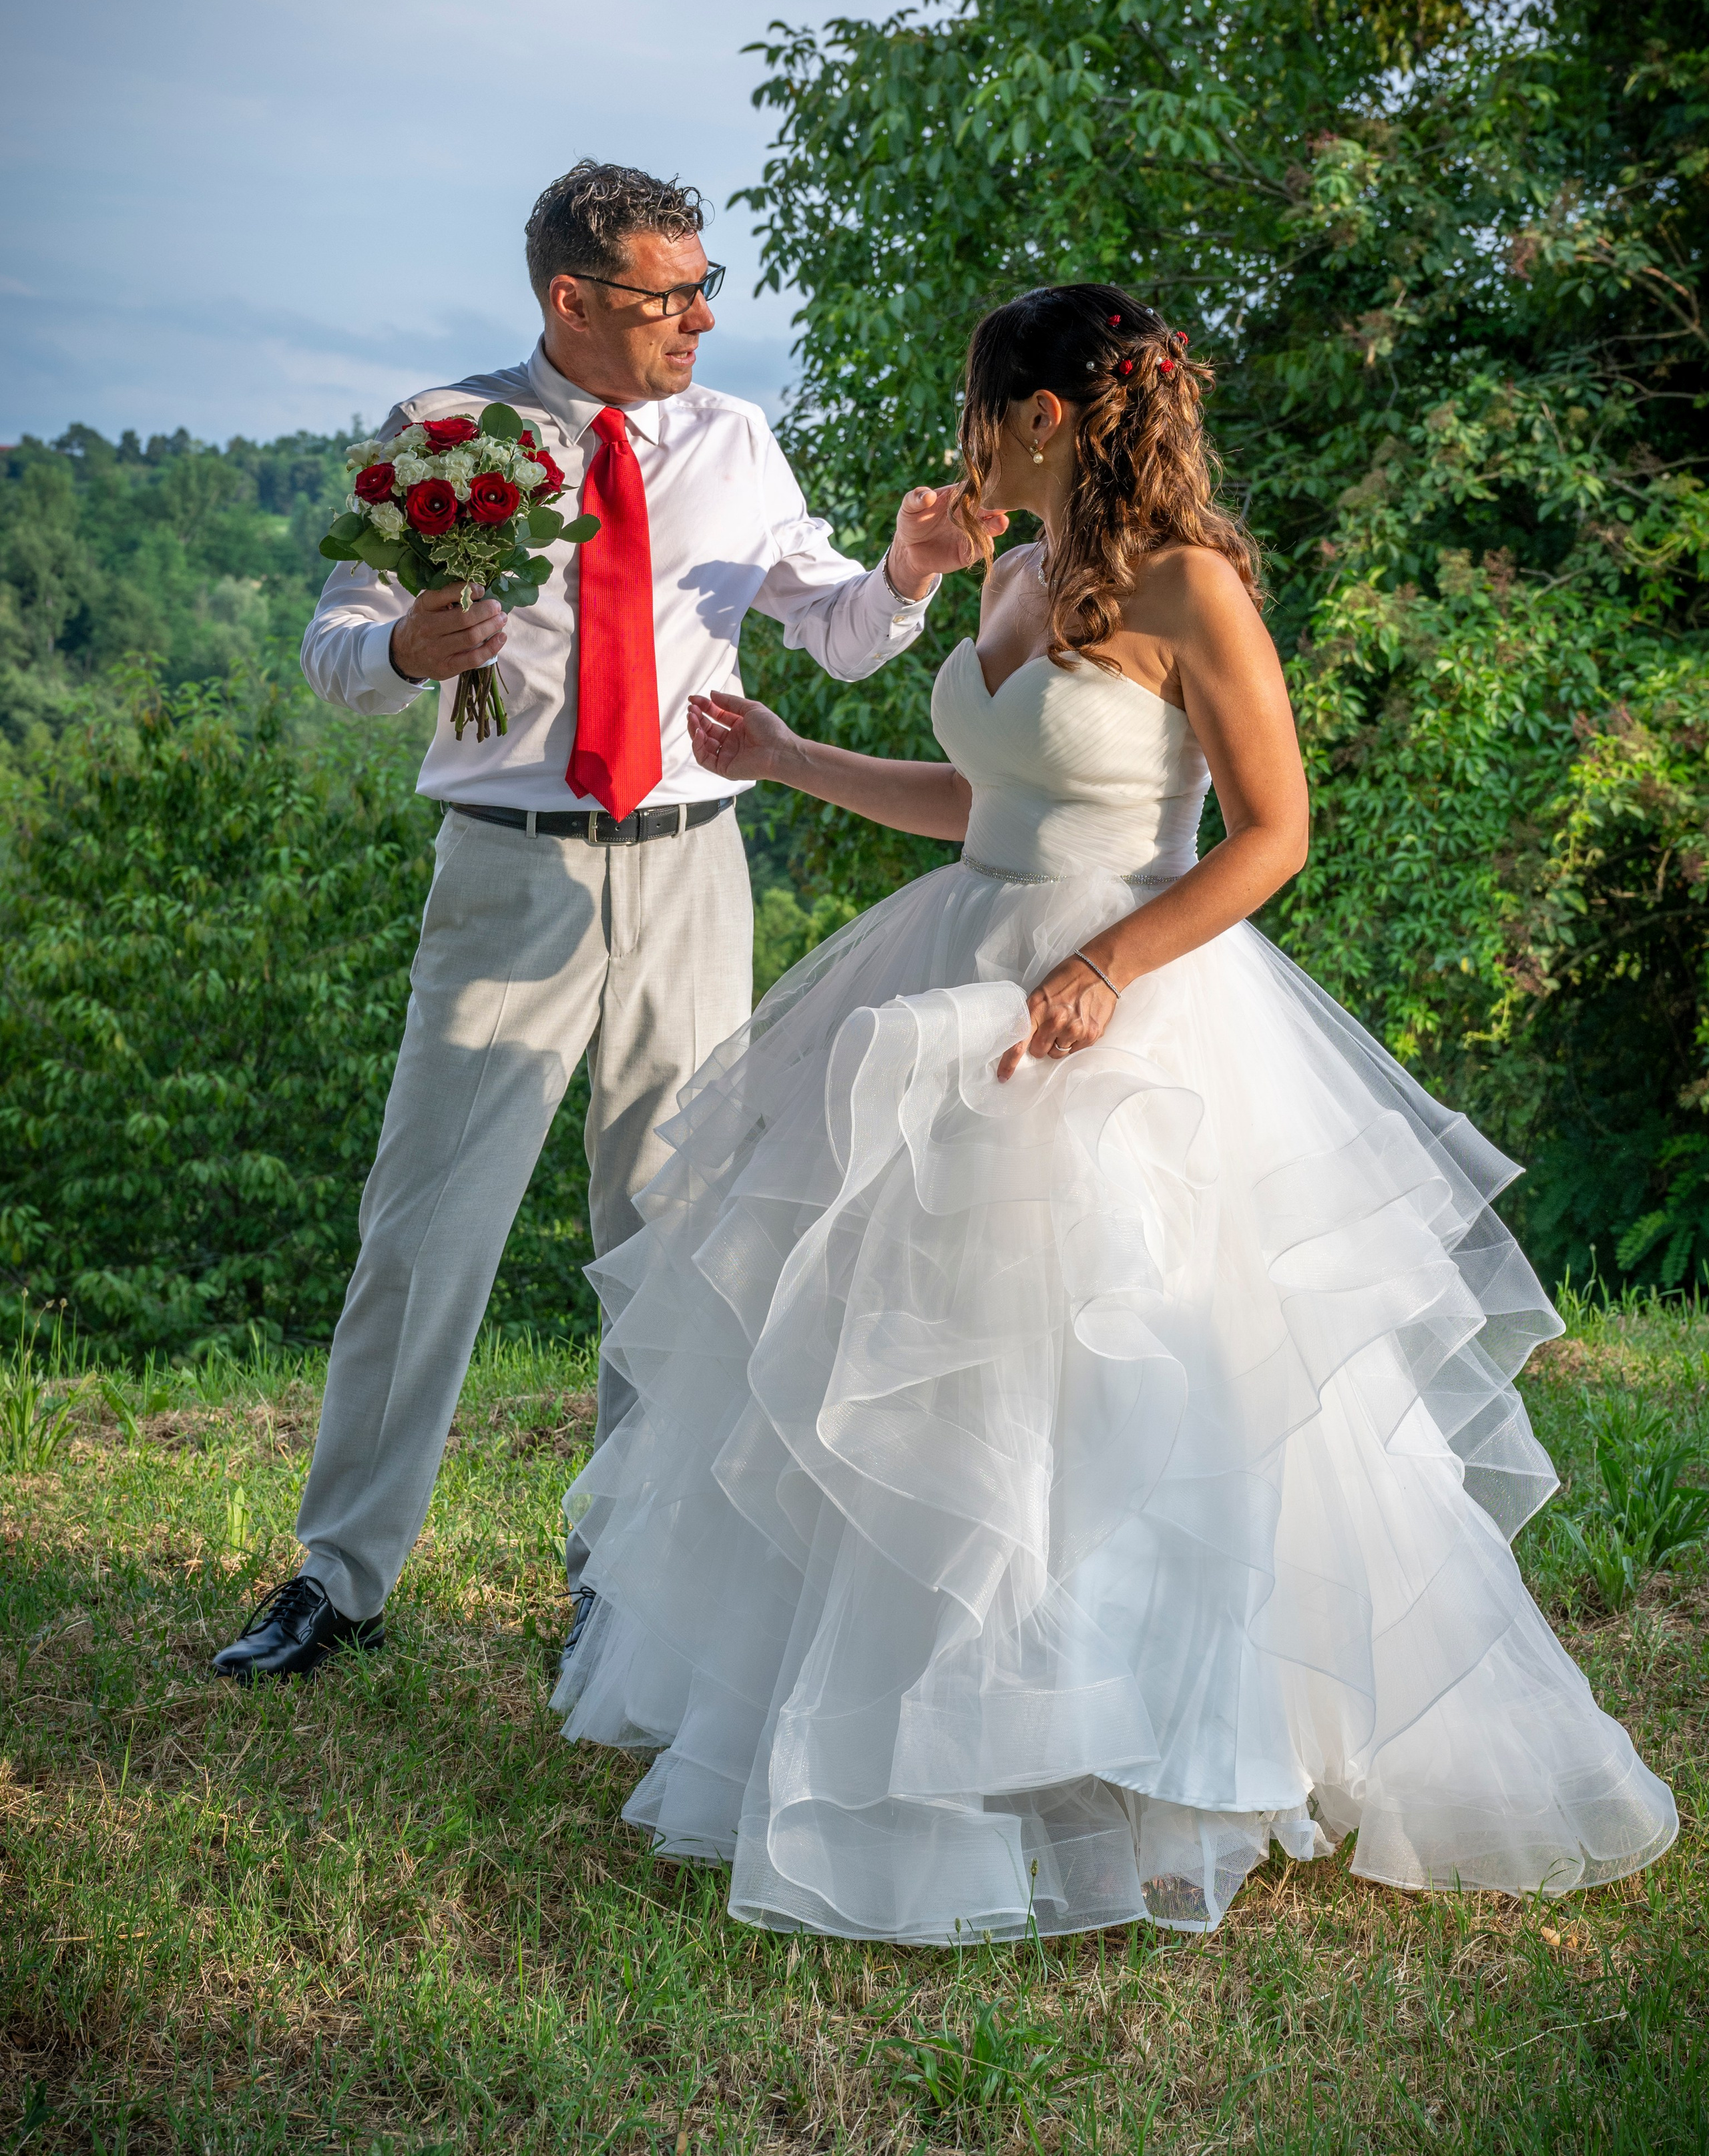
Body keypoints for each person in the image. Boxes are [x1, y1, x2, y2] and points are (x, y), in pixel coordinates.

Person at [549, 284, 1677, 1941]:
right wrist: (788, 758)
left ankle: (1157, 1769)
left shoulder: (1188, 584)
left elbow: (1272, 832)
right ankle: (951, 1740)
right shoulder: (1010, 572)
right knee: (942, 1383)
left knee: (1135, 1386)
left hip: (1130, 1007)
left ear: (1043, 414)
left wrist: (1104, 970)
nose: (961, 436)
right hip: (960, 975)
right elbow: (986, 802)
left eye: (975, 405)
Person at [212, 160, 988, 1685]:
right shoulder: (450, 433)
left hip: (695, 867)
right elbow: (334, 648)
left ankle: (627, 1589)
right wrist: (403, 647)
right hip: (509, 873)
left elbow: (836, 634)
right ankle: (341, 1577)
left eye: (705, 287)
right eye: (668, 295)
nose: (700, 318)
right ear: (572, 299)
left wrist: (906, 571)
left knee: (668, 1237)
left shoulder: (735, 438)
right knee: (425, 1229)